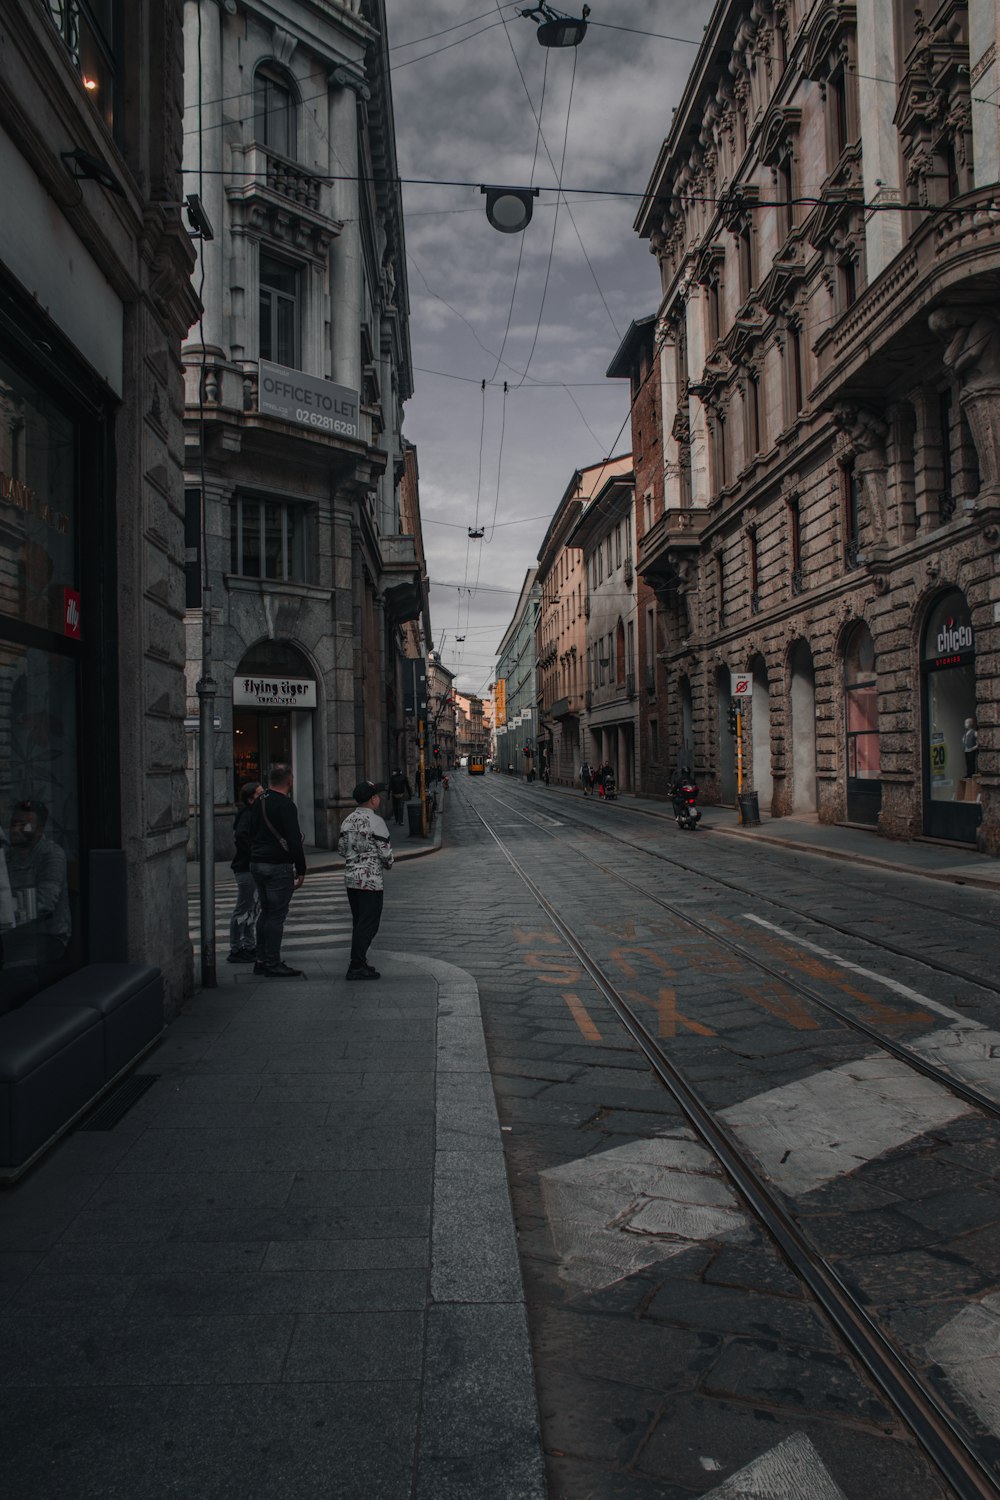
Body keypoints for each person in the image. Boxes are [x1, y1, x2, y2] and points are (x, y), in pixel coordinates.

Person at [249, 763, 306, 978]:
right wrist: (301, 869)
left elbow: (249, 832)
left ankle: (261, 959)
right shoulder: (286, 805)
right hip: (277, 866)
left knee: (265, 912)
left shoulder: (259, 802)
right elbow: (293, 839)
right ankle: (272, 962)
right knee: (276, 915)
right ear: (289, 781)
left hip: (257, 863)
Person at [338, 780, 393, 981]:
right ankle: (356, 964)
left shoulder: (347, 820)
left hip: (352, 879)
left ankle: (361, 961)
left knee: (359, 921)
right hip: (371, 880)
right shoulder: (377, 822)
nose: (379, 798)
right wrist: (387, 863)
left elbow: (341, 849)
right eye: (377, 795)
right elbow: (386, 854)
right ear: (372, 799)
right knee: (369, 924)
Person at [6, 799, 71, 966]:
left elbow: (45, 901)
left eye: (25, 825)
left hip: (47, 936)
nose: (16, 830)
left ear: (40, 830)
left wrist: (8, 908)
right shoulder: (8, 856)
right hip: (13, 933)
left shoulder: (51, 854)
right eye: (14, 824)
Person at [227, 781, 262, 963]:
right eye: (259, 794)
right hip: (245, 868)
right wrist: (255, 853)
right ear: (250, 799)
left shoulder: (253, 814)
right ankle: (236, 948)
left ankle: (249, 945)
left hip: (250, 867)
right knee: (244, 907)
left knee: (252, 909)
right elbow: (241, 836)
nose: (263, 796)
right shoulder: (247, 814)